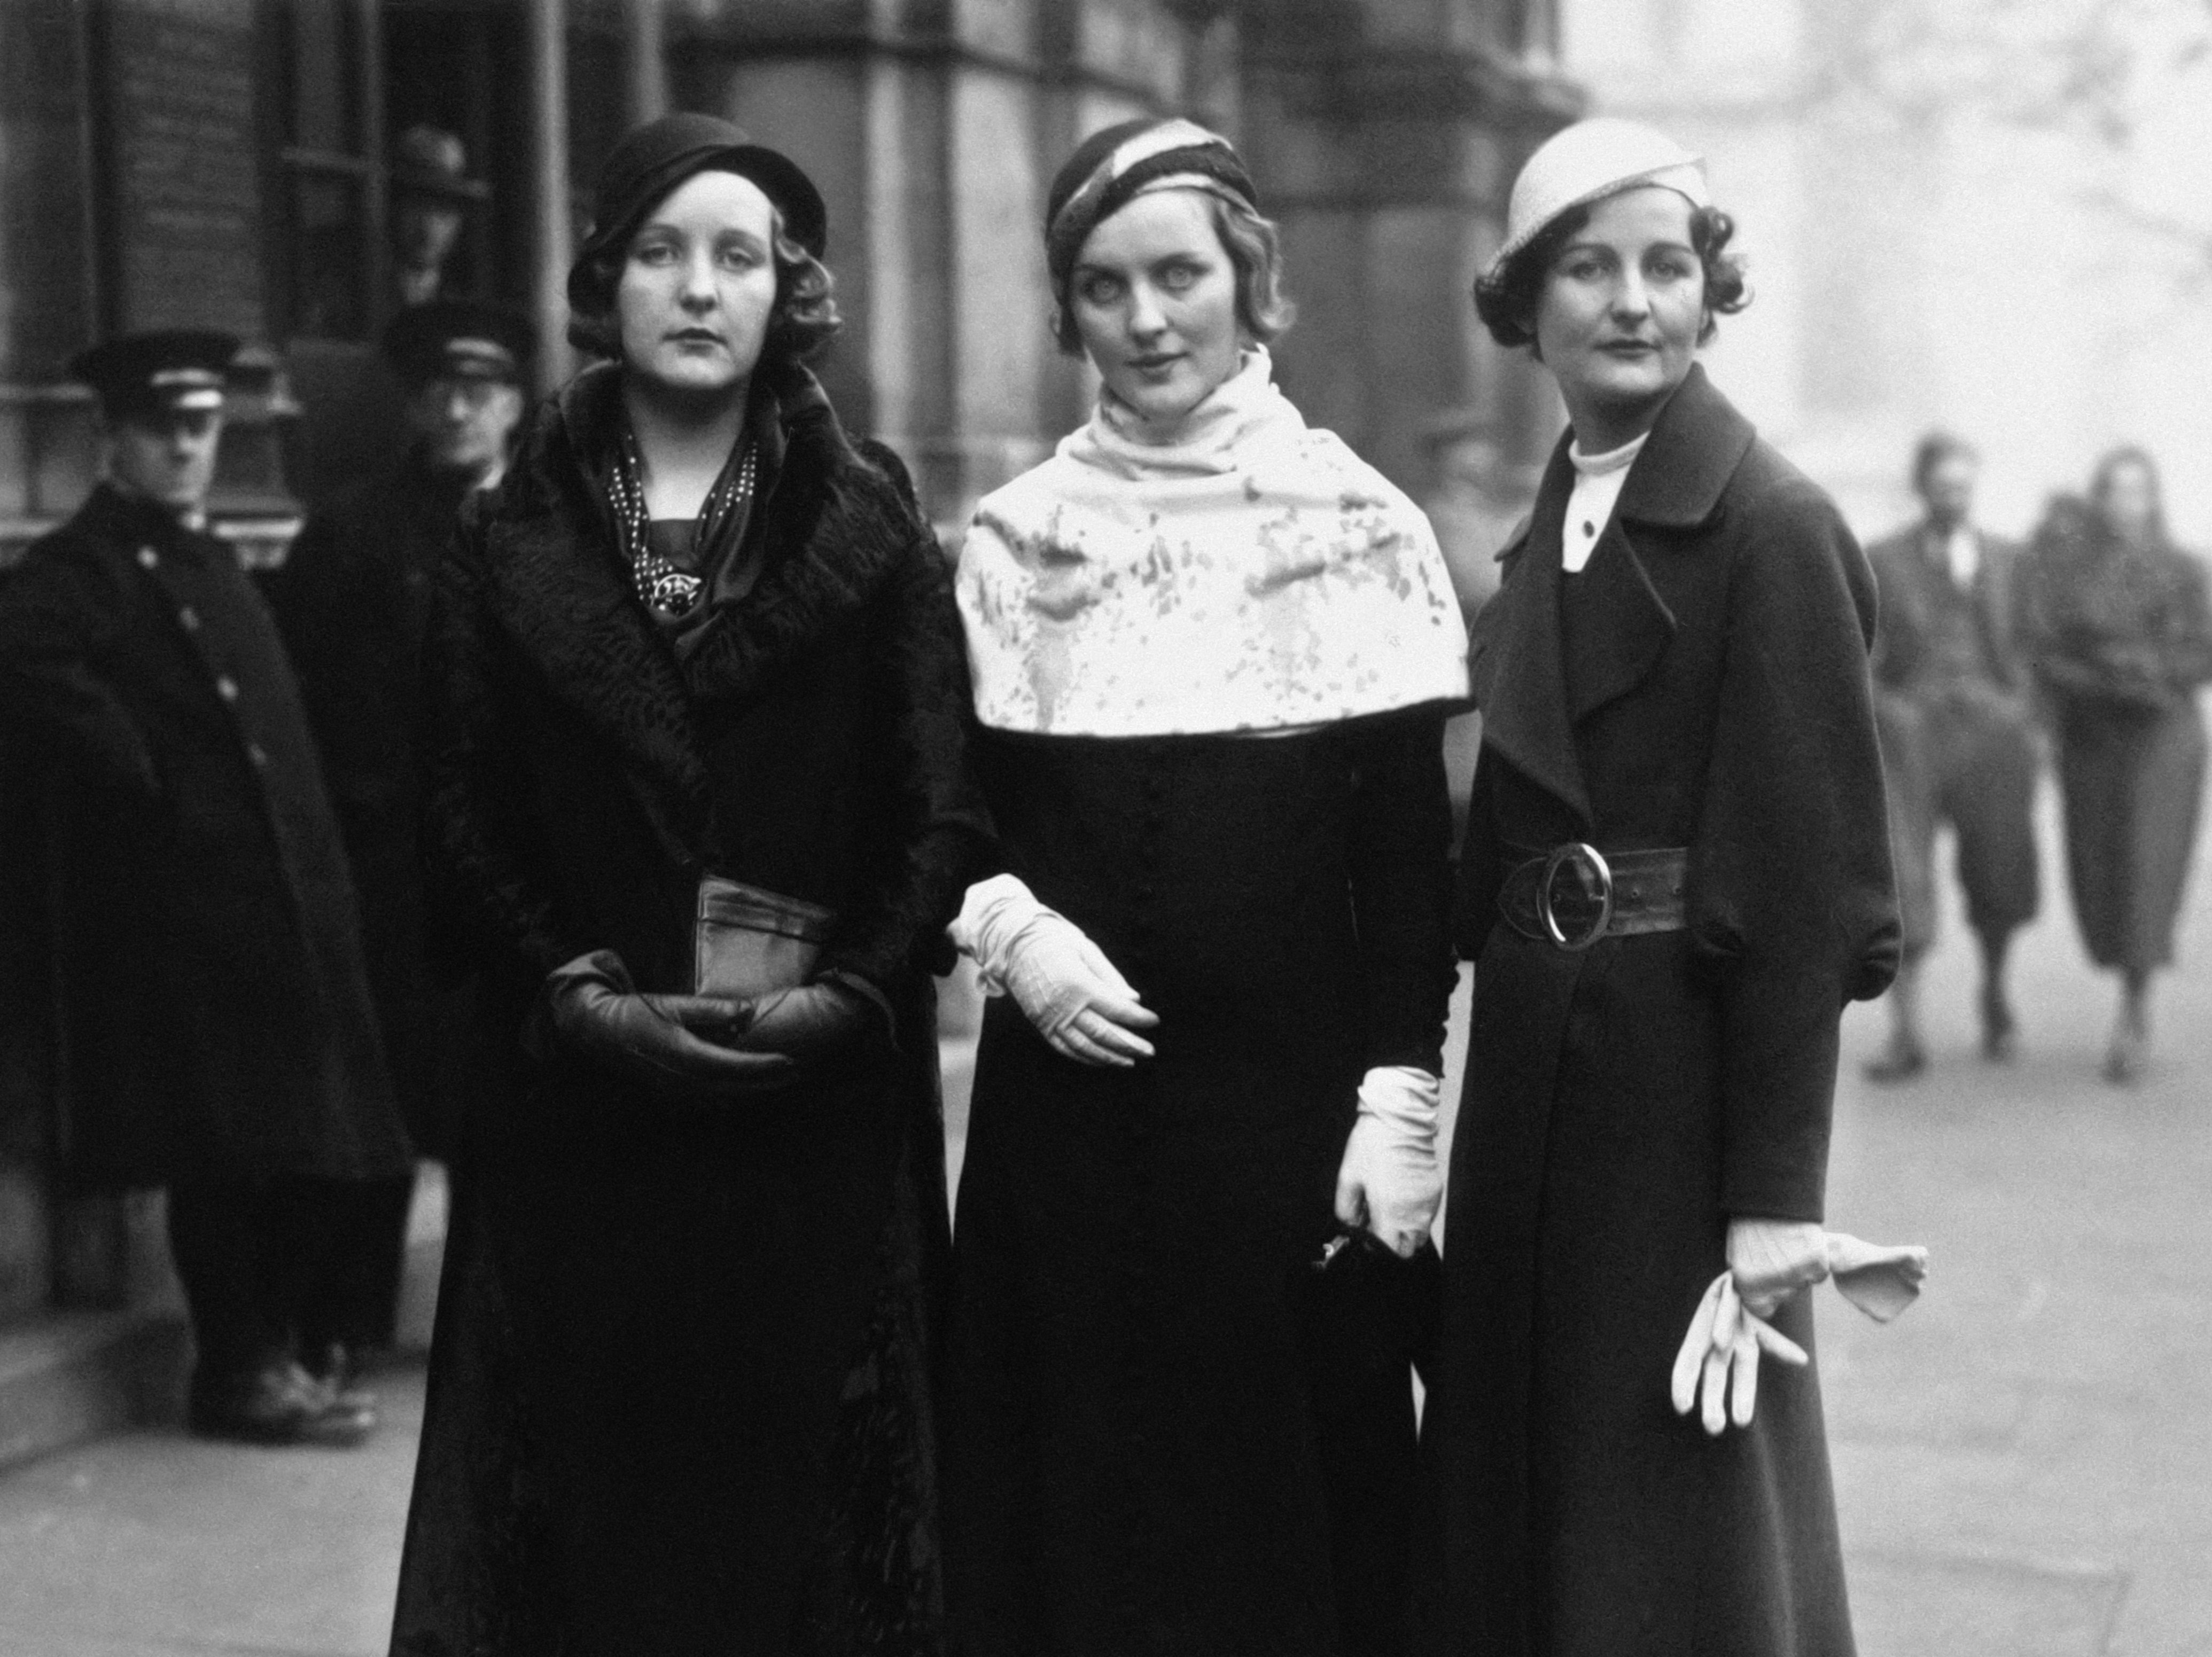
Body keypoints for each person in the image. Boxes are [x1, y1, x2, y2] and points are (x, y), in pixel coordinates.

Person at [386, 114, 990, 1655]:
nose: (699, 287)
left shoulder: (868, 514)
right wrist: (572, 993)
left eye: (739, 255)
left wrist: (847, 991)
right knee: (590, 1527)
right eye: (660, 251)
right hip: (579, 1117)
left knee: (804, 1528)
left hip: (813, 1116)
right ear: (604, 280)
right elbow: (454, 810)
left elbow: (933, 806)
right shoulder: (507, 523)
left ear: (788, 288)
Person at [943, 118, 1469, 1657]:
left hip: (1279, 1128)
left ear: (1250, 283)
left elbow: (1400, 861)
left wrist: (1398, 1099)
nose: (1146, 318)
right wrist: (1004, 927)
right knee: (1074, 1530)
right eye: (1102, 288)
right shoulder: (1011, 539)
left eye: (1179, 274)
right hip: (1068, 1138)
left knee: (1280, 1540)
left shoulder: (1359, 525)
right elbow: (939, 813)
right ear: (1067, 314)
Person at [1414, 119, 1902, 1655]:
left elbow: (1811, 892)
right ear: (1524, 304)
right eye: (1589, 266)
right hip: (1532, 1089)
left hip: (1676, 1109)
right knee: (1526, 1491)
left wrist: (1771, 1198)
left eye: (1666, 267)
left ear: (1710, 294)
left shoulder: (1770, 526)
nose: (1632, 300)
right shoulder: (1553, 519)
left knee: (1671, 1521)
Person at [0, 331, 412, 1445]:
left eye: (201, 428)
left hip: (275, 915)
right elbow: (27, 660)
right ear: (111, 439)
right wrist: (138, 765)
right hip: (188, 926)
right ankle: (238, 1373)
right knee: (226, 1163)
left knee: (299, 1151)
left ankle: (280, 1354)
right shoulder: (83, 565)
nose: (185, 449)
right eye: (161, 430)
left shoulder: (211, 556)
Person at [256, 301, 533, 1378]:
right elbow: (305, 700)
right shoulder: (351, 531)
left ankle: (497, 1329)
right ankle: (342, 1327)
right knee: (370, 1107)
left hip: (519, 875)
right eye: (440, 392)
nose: (459, 411)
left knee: (509, 1109)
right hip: (389, 873)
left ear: (514, 403)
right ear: (415, 405)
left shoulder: (566, 530)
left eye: (481, 391)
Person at [2019, 447, 2212, 1084]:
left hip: (2164, 738)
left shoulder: (2185, 569)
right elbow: (2045, 652)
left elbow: (2203, 652)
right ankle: (2121, 973)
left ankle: (2136, 1009)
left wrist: (2155, 674)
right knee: (2100, 871)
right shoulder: (2070, 573)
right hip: (2094, 737)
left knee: (2147, 871)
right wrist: (2102, 679)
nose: (2127, 505)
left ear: (2153, 498)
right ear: (2100, 501)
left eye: (2139, 492)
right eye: (2116, 493)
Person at [1863, 431, 2040, 1080]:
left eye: (1963, 487)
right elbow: (1860, 654)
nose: (1954, 498)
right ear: (1922, 489)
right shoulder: (1881, 559)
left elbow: (2032, 646)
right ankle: (1905, 1031)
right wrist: (1890, 708)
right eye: (1942, 487)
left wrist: (2020, 711)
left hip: (1993, 738)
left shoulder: (2009, 559)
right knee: (1903, 876)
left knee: (1999, 872)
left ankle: (1995, 990)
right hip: (1913, 739)